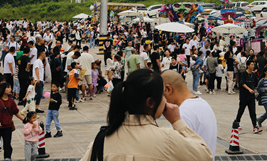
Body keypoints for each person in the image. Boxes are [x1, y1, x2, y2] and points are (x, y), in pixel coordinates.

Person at [79, 69, 212, 161]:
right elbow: (206, 156)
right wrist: (177, 121)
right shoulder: (167, 140)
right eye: (162, 96)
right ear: (151, 103)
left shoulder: (101, 139)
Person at [162, 70, 217, 159]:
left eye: (162, 94)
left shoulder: (182, 113)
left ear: (168, 89)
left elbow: (175, 153)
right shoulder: (204, 104)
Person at [0, 82, 25, 161]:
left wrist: (23, 119)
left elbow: (16, 112)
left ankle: (7, 158)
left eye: (10, 87)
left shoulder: (11, 101)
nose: (10, 89)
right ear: (3, 89)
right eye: (7, 88)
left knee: (7, 145)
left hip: (7, 127)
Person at [233, 60, 262, 133]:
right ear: (248, 66)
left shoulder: (253, 75)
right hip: (244, 96)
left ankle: (255, 126)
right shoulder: (243, 74)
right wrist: (249, 89)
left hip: (251, 97)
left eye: (253, 65)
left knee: (253, 112)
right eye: (252, 65)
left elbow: (256, 83)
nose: (253, 66)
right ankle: (236, 122)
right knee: (241, 110)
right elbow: (242, 83)